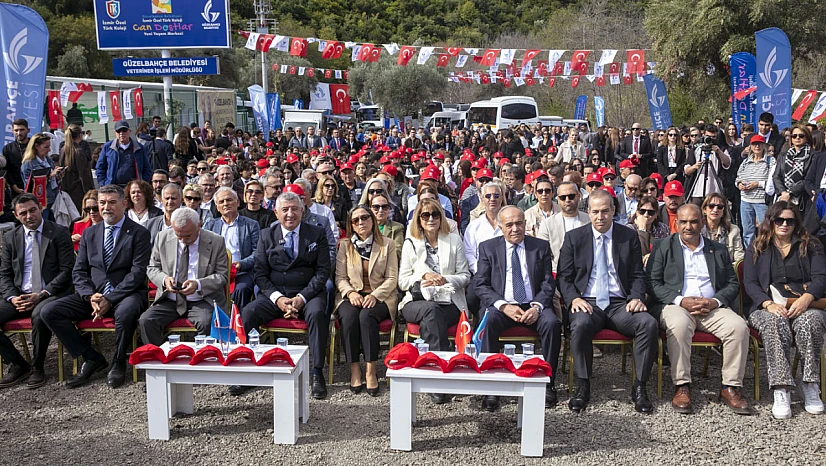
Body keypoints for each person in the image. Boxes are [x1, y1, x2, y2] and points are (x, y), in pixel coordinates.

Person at [557, 189, 658, 414]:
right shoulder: (575, 238)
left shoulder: (628, 236)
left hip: (620, 303)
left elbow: (637, 274)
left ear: (613, 210)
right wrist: (573, 298)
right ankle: (583, 383)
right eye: (595, 212)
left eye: (605, 211)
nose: (600, 217)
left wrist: (636, 297)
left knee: (648, 323)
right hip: (587, 301)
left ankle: (640, 386)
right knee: (580, 324)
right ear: (588, 212)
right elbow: (564, 276)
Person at [40, 185, 151, 389]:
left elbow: (137, 274)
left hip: (126, 294)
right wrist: (91, 296)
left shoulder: (139, 233)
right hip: (94, 295)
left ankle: (118, 361)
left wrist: (110, 298)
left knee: (126, 312)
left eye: (112, 202)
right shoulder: (90, 233)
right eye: (102, 203)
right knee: (49, 311)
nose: (106, 207)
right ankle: (91, 358)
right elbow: (79, 271)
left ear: (124, 204)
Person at [646, 204, 751, 415]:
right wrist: (680, 300)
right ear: (676, 224)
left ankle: (730, 387)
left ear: (702, 223)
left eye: (694, 222)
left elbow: (732, 284)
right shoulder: (663, 246)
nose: (689, 227)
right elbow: (652, 282)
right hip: (676, 305)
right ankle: (682, 385)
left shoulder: (718, 249)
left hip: (711, 306)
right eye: (684, 222)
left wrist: (715, 301)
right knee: (679, 324)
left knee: (739, 327)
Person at [241, 192, 331, 398]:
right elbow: (260, 274)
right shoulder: (266, 235)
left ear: (302, 210)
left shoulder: (316, 233)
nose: (290, 214)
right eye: (285, 209)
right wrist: (278, 299)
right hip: (276, 294)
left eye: (294, 209)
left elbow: (323, 271)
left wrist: (302, 298)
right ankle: (248, 370)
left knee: (318, 314)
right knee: (248, 313)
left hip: (308, 292)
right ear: (276, 213)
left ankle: (317, 372)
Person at [473, 206, 561, 411]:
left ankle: (547, 382)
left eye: (519, 223)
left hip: (533, 304)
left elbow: (548, 283)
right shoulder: (488, 248)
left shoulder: (539, 246)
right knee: (488, 321)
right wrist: (504, 306)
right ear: (500, 226)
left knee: (552, 324)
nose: (515, 229)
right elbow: (480, 284)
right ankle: (491, 387)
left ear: (525, 224)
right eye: (509, 224)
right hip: (502, 305)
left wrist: (537, 306)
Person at [743, 202, 826, 418]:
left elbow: (821, 277)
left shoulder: (811, 245)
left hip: (804, 303)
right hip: (766, 305)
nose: (784, 224)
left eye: (790, 220)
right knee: (774, 322)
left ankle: (810, 384)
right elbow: (750, 282)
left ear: (796, 222)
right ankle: (781, 387)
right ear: (771, 221)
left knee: (811, 322)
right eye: (779, 220)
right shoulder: (757, 246)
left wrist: (807, 298)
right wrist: (768, 304)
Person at [398, 198, 469, 404]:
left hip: (449, 301)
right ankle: (442, 371)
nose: (431, 219)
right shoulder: (411, 243)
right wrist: (424, 277)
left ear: (441, 217)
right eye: (425, 215)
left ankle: (433, 374)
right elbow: (403, 281)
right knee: (430, 311)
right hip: (416, 301)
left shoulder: (454, 240)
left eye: (435, 214)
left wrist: (444, 279)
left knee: (432, 317)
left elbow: (465, 276)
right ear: (419, 220)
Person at [0, 194, 75, 389]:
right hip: (19, 295)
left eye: (32, 210)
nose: (29, 216)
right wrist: (12, 297)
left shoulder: (58, 232)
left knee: (41, 314)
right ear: (16, 216)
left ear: (41, 207)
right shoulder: (10, 237)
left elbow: (67, 270)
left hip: (50, 293)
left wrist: (42, 294)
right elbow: (4, 274)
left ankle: (37, 366)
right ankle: (18, 364)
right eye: (23, 213)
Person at [138, 207, 229, 345]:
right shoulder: (162, 237)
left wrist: (198, 284)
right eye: (178, 235)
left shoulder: (216, 241)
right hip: (169, 299)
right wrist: (164, 280)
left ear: (199, 225)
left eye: (188, 236)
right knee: (146, 321)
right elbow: (152, 268)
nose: (183, 240)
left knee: (206, 323)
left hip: (202, 300)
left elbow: (222, 276)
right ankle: (158, 357)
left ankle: (203, 356)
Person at [335, 205, 398, 396]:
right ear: (351, 225)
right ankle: (355, 368)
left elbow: (392, 278)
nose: (361, 222)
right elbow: (340, 277)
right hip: (352, 294)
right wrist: (350, 293)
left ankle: (371, 369)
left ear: (372, 220)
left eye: (364, 217)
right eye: (356, 220)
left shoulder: (387, 244)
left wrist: (374, 295)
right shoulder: (345, 245)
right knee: (349, 317)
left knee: (366, 316)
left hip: (381, 295)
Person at [204, 187, 259, 312]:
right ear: (217, 207)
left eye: (229, 200)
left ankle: (237, 321)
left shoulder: (251, 225)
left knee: (241, 289)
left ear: (237, 203)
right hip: (216, 272)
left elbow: (257, 252)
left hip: (242, 271)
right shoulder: (210, 225)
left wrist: (241, 264)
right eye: (221, 201)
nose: (226, 204)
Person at [736, 134, 775, 246]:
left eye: (760, 144)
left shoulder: (770, 161)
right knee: (747, 232)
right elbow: (738, 177)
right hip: (745, 200)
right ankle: (750, 252)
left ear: (764, 146)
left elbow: (773, 181)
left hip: (761, 202)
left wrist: (757, 184)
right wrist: (739, 184)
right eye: (754, 144)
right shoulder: (745, 162)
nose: (757, 146)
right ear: (751, 146)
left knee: (765, 230)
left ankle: (765, 250)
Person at [683, 124, 731, 206]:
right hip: (697, 191)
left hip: (715, 190)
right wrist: (694, 167)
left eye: (713, 137)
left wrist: (719, 152)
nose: (710, 139)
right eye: (708, 137)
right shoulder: (696, 149)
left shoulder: (721, 149)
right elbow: (686, 170)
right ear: (703, 135)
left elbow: (727, 163)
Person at [463, 182, 505, 275]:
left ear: (502, 198)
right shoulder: (474, 227)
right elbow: (469, 253)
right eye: (488, 196)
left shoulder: (510, 224)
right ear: (482, 199)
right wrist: (481, 272)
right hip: (482, 275)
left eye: (496, 196)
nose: (492, 199)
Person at [96, 121, 152, 187]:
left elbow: (147, 168)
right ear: (115, 132)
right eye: (118, 131)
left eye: (124, 130)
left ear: (129, 131)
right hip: (113, 187)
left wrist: (142, 183)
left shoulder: (139, 147)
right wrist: (103, 183)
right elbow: (100, 167)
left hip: (133, 187)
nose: (121, 133)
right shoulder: (108, 147)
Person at [774, 124, 816, 212]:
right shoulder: (783, 155)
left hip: (803, 199)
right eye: (794, 136)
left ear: (807, 138)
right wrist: (783, 193)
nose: (797, 138)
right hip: (783, 197)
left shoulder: (813, 155)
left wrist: (791, 192)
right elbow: (776, 176)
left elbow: (807, 178)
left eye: (801, 136)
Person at [21, 132, 63, 216]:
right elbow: (31, 186)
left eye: (49, 146)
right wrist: (50, 176)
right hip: (41, 202)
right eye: (46, 147)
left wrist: (58, 176)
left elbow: (52, 180)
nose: (49, 150)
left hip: (53, 197)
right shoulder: (29, 164)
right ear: (36, 146)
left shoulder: (48, 160)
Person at [59, 124, 95, 211]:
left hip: (67, 191)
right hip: (79, 192)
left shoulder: (63, 149)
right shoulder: (78, 152)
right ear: (80, 135)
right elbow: (84, 175)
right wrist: (90, 193)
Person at [700, 193, 745, 263]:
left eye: (720, 207)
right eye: (711, 206)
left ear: (724, 211)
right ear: (704, 209)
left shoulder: (733, 230)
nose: (715, 210)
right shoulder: (697, 230)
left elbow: (739, 257)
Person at [628, 196, 669, 262]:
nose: (646, 215)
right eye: (642, 211)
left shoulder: (663, 229)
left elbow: (666, 251)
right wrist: (642, 230)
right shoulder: (629, 230)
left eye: (650, 212)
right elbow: (640, 254)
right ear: (637, 212)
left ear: (656, 214)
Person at [370, 193, 404, 262]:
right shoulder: (364, 227)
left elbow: (397, 252)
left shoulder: (397, 228)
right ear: (370, 209)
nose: (380, 210)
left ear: (389, 209)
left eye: (384, 207)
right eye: (376, 207)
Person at [2, 119, 30, 199]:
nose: (19, 133)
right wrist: (15, 187)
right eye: (16, 130)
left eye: (22, 130)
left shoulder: (35, 145)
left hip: (34, 186)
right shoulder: (8, 148)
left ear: (28, 130)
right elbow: (6, 170)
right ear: (12, 131)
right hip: (16, 190)